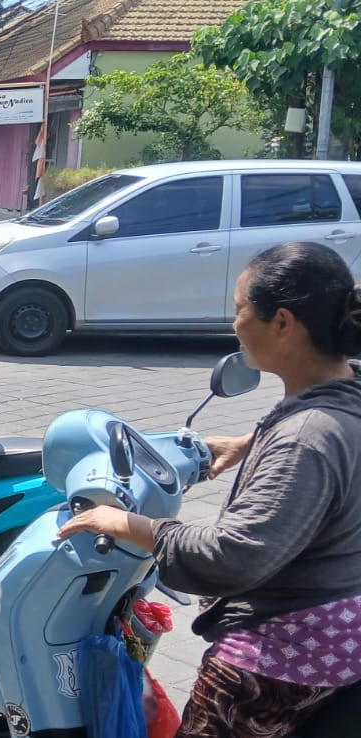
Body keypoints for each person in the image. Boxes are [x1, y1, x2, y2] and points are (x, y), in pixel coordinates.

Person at [59, 240, 361, 737]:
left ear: (282, 323)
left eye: (240, 310)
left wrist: (128, 524)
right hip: (337, 630)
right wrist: (253, 442)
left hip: (280, 657)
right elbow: (320, 441)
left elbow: (235, 556)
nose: (233, 325)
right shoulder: (338, 397)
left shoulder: (305, 439)